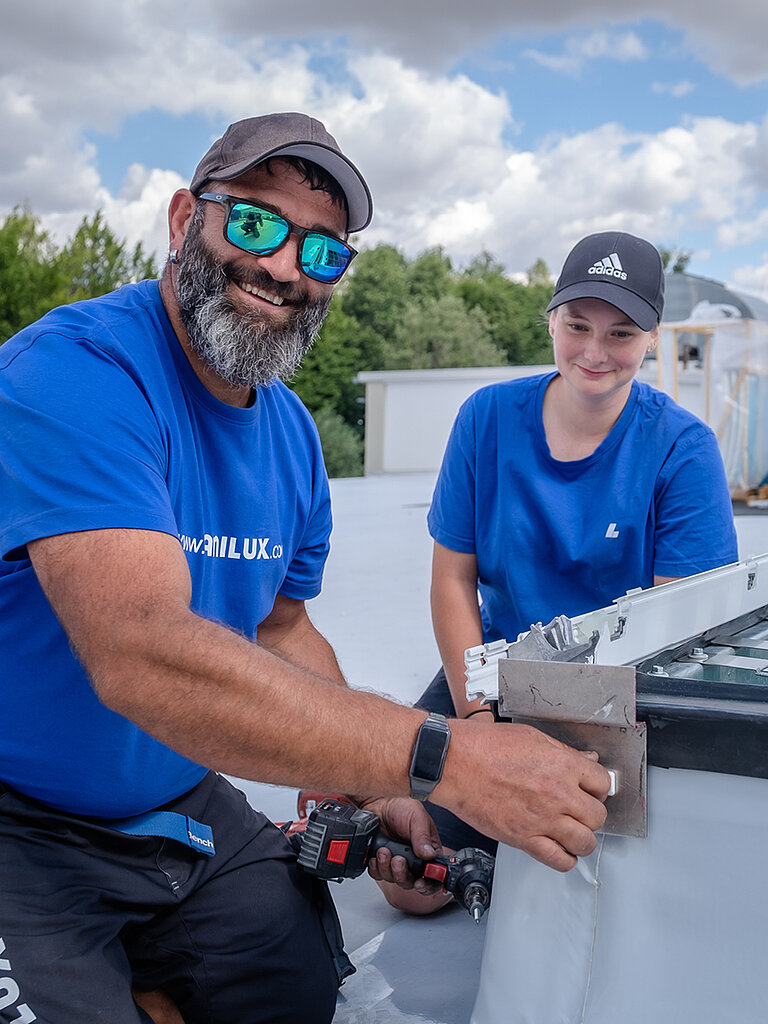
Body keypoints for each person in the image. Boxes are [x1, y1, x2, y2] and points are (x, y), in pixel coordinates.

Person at [0, 113, 610, 1024]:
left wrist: (378, 788)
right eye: (254, 223)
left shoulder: (289, 434)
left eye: (323, 251)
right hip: (20, 819)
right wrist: (445, 763)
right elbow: (139, 650)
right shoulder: (74, 374)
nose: (286, 267)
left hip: (176, 806)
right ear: (182, 220)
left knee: (297, 982)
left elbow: (282, 627)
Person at [397, 230, 738, 905]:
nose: (594, 351)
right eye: (577, 325)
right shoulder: (487, 420)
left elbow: (677, 635)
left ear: (651, 337)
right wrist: (483, 726)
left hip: (613, 696)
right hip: (495, 672)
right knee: (416, 885)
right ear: (551, 319)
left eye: (621, 333)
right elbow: (452, 580)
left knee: (587, 879)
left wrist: (564, 747)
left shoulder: (683, 452)